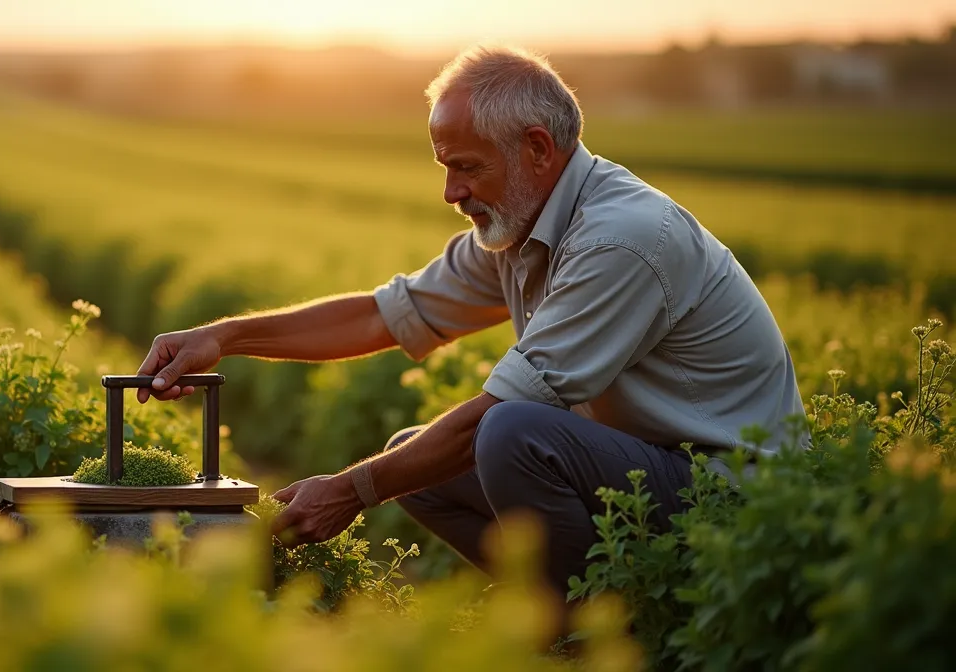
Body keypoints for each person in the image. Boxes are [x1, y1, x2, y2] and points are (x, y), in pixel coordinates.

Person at [133, 45, 805, 600]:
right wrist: (226, 337)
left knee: (506, 432)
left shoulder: (620, 240)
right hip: (646, 470)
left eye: (466, 168)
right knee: (417, 456)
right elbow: (383, 314)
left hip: (729, 491)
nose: (451, 193)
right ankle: (571, 608)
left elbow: (498, 416)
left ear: (538, 149)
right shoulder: (521, 223)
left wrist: (351, 491)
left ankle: (600, 627)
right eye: (445, 168)